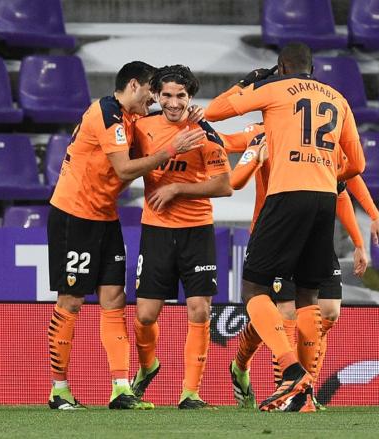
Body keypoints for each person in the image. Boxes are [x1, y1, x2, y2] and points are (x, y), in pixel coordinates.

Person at [205, 42, 366, 411]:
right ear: (312, 67)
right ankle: (304, 398)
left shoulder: (273, 88)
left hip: (286, 196)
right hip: (324, 199)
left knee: (253, 288)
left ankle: (291, 371)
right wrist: (324, 171)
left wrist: (250, 81)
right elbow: (357, 163)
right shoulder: (337, 98)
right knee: (309, 296)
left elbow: (214, 112)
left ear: (280, 66)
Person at [47, 61, 206, 410]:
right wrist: (170, 150)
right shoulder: (105, 112)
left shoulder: (131, 118)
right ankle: (59, 390)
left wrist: (188, 122)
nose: (153, 102)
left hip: (105, 216)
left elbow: (156, 137)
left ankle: (121, 389)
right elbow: (124, 168)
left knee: (114, 299)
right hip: (74, 215)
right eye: (152, 94)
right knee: (70, 301)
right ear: (135, 85)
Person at [221, 123, 379, 410]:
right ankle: (291, 392)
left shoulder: (319, 139)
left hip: (314, 232)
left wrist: (363, 234)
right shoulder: (262, 132)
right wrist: (192, 125)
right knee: (285, 313)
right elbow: (225, 143)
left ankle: (284, 382)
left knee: (329, 313)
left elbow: (344, 183)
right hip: (275, 234)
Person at [128, 65, 232, 409]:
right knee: (144, 315)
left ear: (191, 97)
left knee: (200, 310)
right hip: (156, 231)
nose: (174, 103)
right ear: (156, 95)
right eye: (168, 95)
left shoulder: (204, 132)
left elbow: (224, 185)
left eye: (181, 96)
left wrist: (176, 189)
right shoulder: (141, 127)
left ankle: (191, 392)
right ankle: (148, 366)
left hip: (197, 231)